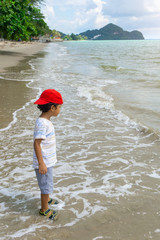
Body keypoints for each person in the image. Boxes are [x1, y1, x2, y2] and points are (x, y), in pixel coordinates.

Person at [33, 89, 63, 220]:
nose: (59, 109)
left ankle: (47, 199)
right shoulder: (42, 123)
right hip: (44, 163)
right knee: (46, 186)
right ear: (52, 107)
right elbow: (37, 144)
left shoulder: (45, 122)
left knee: (47, 184)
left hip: (47, 161)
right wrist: (41, 163)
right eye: (59, 107)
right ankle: (44, 210)